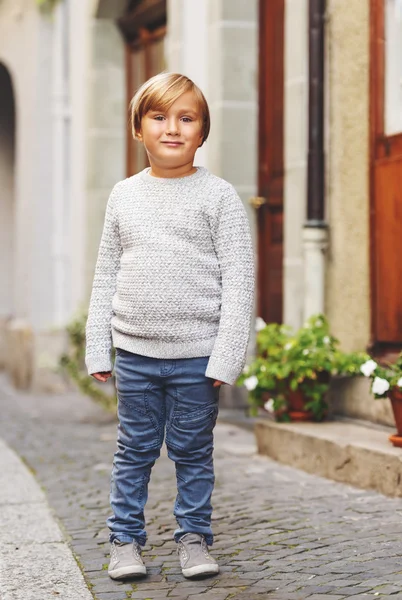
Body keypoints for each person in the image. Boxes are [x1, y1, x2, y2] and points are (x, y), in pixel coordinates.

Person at [85, 72, 255, 581]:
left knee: (193, 452)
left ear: (203, 132)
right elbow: (105, 274)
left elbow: (240, 281)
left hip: (197, 358)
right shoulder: (123, 195)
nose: (173, 128)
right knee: (133, 449)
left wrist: (226, 357)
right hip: (135, 352)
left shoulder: (219, 197)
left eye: (186, 118)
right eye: (159, 117)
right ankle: (125, 540)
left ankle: (194, 538)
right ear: (139, 129)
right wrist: (99, 347)